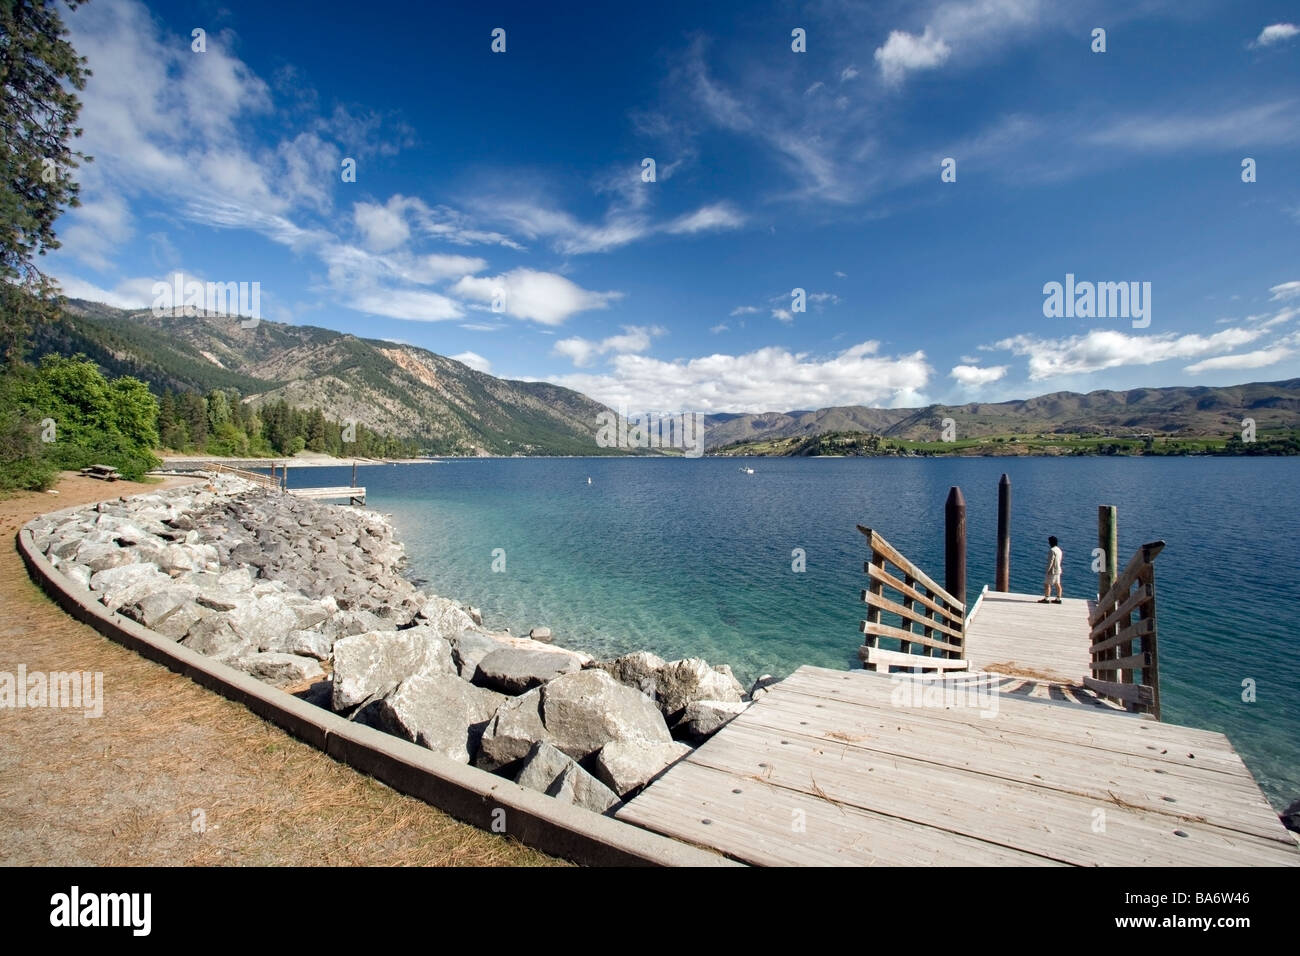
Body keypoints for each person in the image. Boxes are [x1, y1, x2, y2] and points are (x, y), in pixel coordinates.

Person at [1039, 535, 1063, 603]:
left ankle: (1046, 598)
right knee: (1057, 584)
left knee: (1047, 584)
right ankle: (1058, 599)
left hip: (1052, 571)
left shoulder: (1052, 551)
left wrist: (1047, 570)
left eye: (1049, 542)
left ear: (1051, 542)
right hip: (1058, 570)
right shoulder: (1059, 550)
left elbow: (1050, 561)